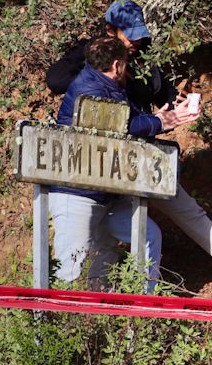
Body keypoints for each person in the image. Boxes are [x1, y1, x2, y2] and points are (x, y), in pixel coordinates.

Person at [47, 0, 212, 279]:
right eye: (130, 35)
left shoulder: (141, 54)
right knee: (99, 246)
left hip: (135, 153)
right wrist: (157, 118)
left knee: (181, 205)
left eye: (140, 34)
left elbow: (158, 91)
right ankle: (93, 306)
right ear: (110, 31)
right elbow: (63, 86)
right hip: (96, 166)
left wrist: (177, 105)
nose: (137, 41)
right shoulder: (93, 62)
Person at [48, 37, 175, 290]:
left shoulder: (105, 84)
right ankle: (54, 325)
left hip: (105, 192)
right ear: (117, 65)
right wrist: (160, 123)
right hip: (77, 193)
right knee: (69, 270)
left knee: (147, 236)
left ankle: (142, 309)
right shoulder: (90, 90)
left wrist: (158, 117)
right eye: (126, 64)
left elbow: (128, 116)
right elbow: (120, 125)